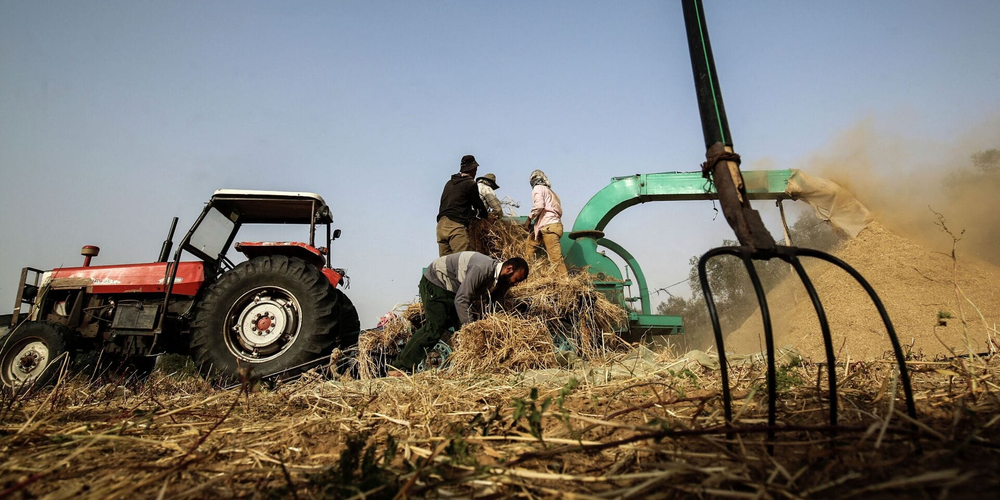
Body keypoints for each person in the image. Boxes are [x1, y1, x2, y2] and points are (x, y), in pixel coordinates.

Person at [389, 252, 529, 374]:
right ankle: (399, 367)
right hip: (437, 282)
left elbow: (492, 304)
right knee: (435, 327)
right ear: (509, 269)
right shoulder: (482, 269)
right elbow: (461, 299)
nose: (516, 284)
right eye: (517, 279)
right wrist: (472, 328)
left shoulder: (500, 279)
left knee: (459, 330)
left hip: (453, 290)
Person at [436, 155, 489, 256]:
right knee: (463, 260)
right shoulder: (470, 183)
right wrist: (485, 216)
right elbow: (478, 205)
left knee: (446, 265)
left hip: (440, 227)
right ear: (473, 170)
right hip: (455, 227)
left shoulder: (449, 183)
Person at [524, 169, 568, 274]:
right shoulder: (552, 193)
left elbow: (539, 206)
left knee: (555, 258)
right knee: (530, 244)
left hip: (548, 226)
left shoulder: (537, 188)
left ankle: (565, 281)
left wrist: (529, 219)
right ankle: (528, 270)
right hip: (551, 225)